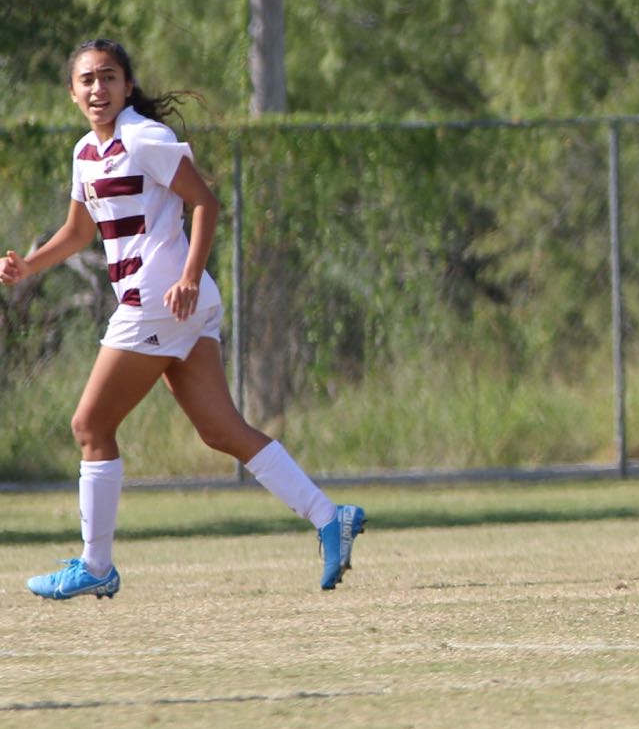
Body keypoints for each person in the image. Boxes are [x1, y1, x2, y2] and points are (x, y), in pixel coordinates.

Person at [0, 40, 365, 598]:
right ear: (72, 92)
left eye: (109, 78)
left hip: (160, 298)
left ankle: (96, 568)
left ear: (127, 86)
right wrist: (29, 267)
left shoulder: (145, 137)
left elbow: (206, 202)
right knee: (222, 431)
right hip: (177, 305)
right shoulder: (84, 153)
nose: (98, 89)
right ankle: (328, 517)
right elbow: (78, 233)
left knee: (90, 426)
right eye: (87, 81)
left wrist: (189, 277)